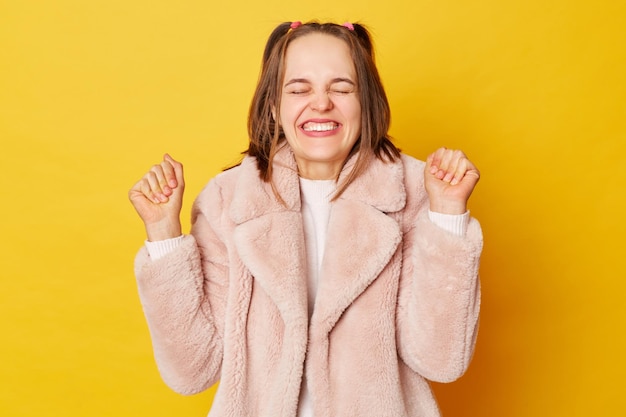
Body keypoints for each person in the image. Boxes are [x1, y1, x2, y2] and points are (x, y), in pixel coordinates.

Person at [129, 21, 482, 417]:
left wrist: (448, 215)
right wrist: (163, 234)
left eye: (341, 88)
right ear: (274, 106)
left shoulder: (416, 194)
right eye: (299, 89)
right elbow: (192, 370)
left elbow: (441, 360)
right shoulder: (228, 200)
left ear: (366, 101)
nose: (321, 103)